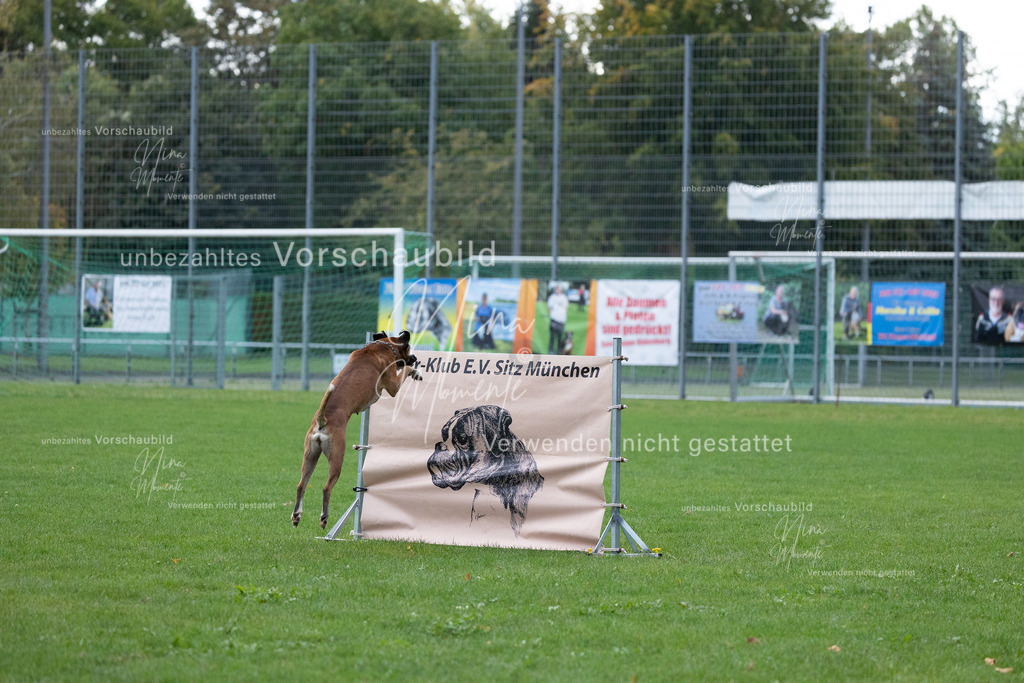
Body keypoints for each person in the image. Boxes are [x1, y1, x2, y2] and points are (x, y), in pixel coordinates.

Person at [547, 284, 569, 354]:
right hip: (554, 320)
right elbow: (549, 307)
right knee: (552, 337)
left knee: (560, 337)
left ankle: (559, 351)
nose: (558, 290)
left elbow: (566, 308)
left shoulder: (564, 298)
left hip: (561, 321)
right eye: (557, 289)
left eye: (559, 289)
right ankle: (551, 351)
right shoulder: (552, 297)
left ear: (561, 290)